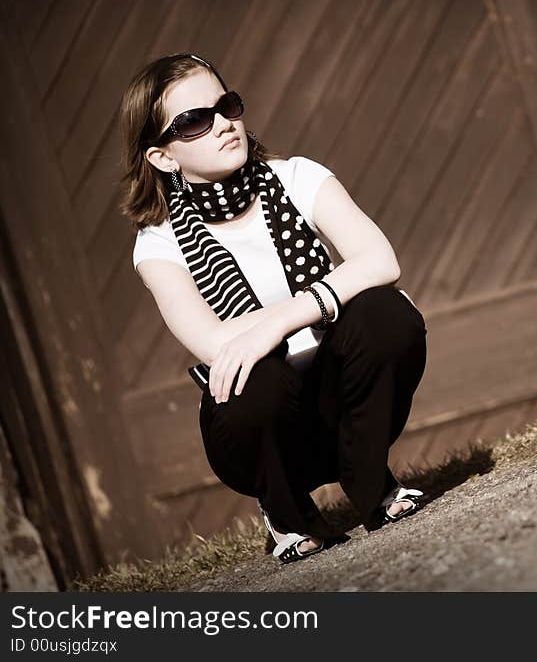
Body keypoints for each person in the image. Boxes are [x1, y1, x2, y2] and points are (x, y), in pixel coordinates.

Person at [118, 53, 428, 563]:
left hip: (345, 401)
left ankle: (372, 484)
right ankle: (290, 517)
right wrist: (326, 297)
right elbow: (215, 343)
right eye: (195, 121)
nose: (223, 124)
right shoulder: (158, 244)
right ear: (163, 157)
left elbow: (379, 260)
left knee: (385, 314)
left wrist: (282, 318)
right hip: (262, 426)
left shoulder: (299, 178)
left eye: (227, 105)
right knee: (249, 372)